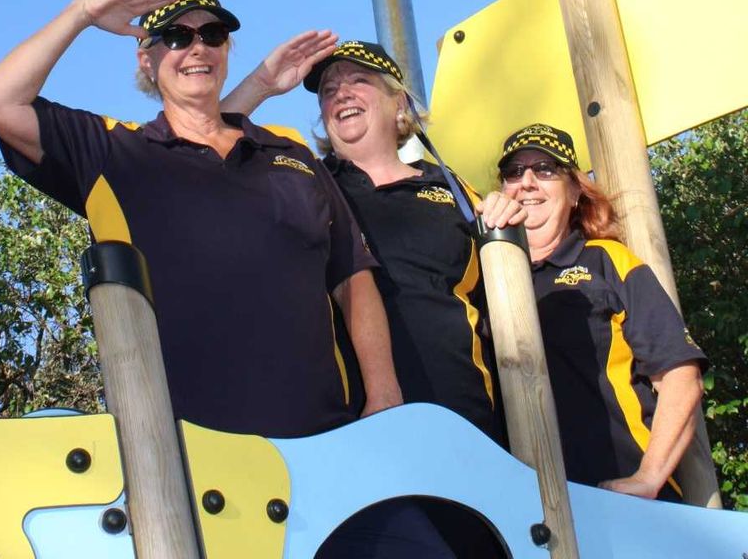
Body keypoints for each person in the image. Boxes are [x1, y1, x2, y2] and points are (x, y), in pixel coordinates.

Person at [0, 0, 402, 438]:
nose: (198, 48)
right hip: (188, 454)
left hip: (329, 439)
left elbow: (351, 275)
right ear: (147, 58)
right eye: (177, 37)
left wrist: (384, 396)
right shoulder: (115, 152)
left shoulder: (290, 152)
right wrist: (82, 13)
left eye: (212, 35)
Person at [227, 39, 526, 440]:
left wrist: (505, 217)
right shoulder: (304, 180)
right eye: (328, 91)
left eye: (358, 80)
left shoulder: (456, 190)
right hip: (352, 423)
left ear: (398, 101)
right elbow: (204, 136)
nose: (341, 93)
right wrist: (262, 84)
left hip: (467, 418)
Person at [497, 122, 706, 501]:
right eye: (514, 172)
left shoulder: (607, 261)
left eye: (545, 169)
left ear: (575, 190)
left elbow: (680, 376)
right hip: (528, 510)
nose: (526, 181)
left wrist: (648, 478)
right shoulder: (486, 277)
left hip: (621, 496)